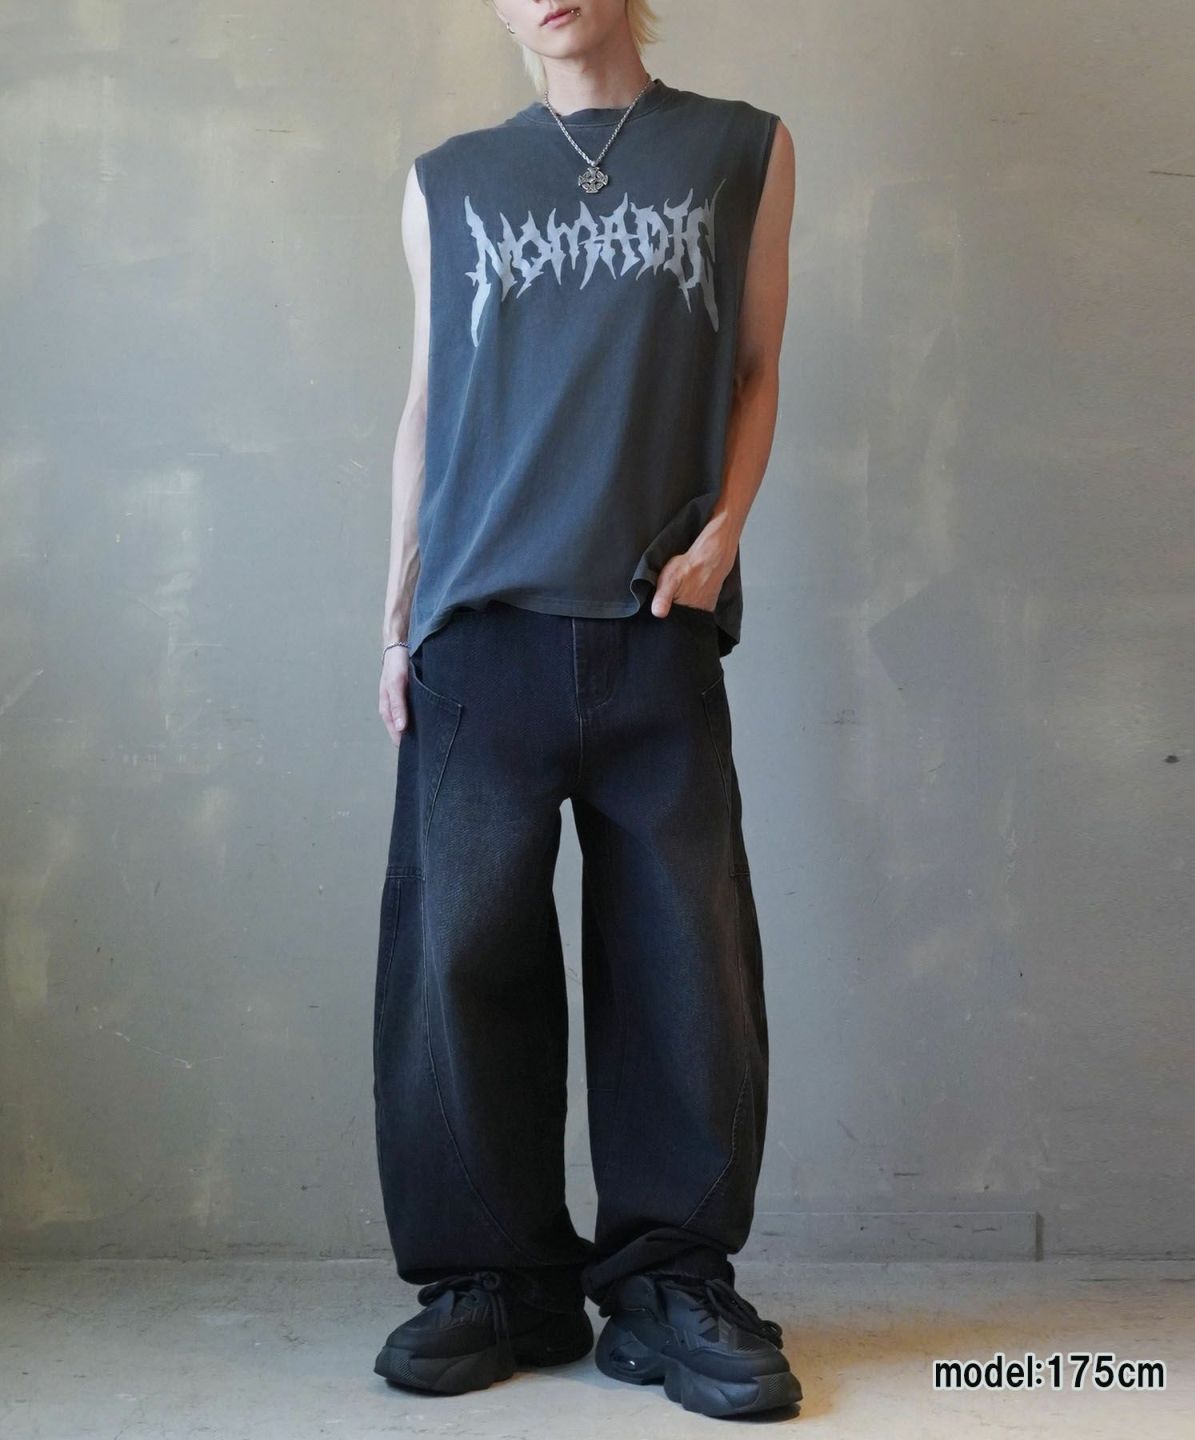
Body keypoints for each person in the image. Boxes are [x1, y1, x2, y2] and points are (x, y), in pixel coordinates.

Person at [370, 0, 797, 1420]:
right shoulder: (447, 183)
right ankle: (495, 1281)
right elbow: (428, 408)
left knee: (686, 967)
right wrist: (395, 618)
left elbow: (754, 368)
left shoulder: (740, 150)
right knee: (457, 963)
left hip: (653, 624)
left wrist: (723, 538)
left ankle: (672, 1280)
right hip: (480, 629)